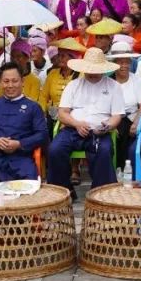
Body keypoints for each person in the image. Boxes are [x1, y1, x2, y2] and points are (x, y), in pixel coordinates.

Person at [47, 48, 124, 195]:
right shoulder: (73, 85)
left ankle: (99, 193)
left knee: (104, 150)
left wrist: (107, 126)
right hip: (72, 128)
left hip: (99, 130)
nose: (92, 73)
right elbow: (62, 113)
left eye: (96, 70)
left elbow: (116, 116)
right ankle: (63, 192)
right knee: (55, 149)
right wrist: (77, 124)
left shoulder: (114, 86)